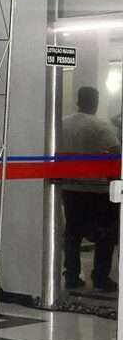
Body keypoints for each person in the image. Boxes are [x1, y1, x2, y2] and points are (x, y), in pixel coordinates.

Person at [61, 86, 121, 291]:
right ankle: (100, 276)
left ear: (78, 101)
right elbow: (116, 153)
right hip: (97, 191)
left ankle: (71, 276)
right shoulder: (99, 126)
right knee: (105, 235)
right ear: (96, 103)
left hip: (70, 188)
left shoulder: (63, 124)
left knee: (73, 234)